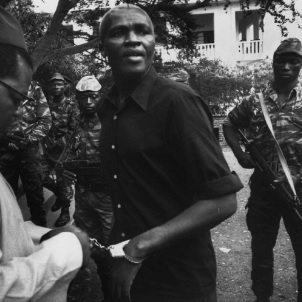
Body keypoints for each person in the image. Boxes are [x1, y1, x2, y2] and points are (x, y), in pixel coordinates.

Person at [97, 4, 243, 302]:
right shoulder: (107, 108)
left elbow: (223, 200)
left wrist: (140, 247)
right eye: (119, 33)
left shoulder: (178, 102)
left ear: (153, 44)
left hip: (178, 278)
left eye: (142, 31)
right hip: (126, 269)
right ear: (103, 49)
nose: (133, 39)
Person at [0, 7, 91, 301]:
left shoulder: (54, 100)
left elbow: (52, 124)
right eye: (13, 97)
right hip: (18, 148)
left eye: (19, 98)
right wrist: (66, 251)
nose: (15, 110)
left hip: (34, 148)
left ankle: (55, 213)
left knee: (36, 191)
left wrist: (39, 236)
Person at [223, 38, 302, 302]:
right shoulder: (255, 102)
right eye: (282, 61)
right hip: (264, 189)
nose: (287, 67)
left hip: (298, 191)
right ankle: (262, 298)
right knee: (261, 253)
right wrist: (240, 154)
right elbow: (229, 125)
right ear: (273, 64)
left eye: (294, 61)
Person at [0, 80, 51, 227]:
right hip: (4, 149)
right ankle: (10, 237)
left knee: (35, 196)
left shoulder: (34, 86)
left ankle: (41, 232)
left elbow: (46, 120)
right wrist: (3, 139)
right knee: (5, 199)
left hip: (29, 150)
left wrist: (28, 139)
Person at [41, 72, 78, 227]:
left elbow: (74, 129)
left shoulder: (71, 105)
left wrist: (57, 143)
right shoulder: (47, 103)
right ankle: (60, 196)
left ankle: (64, 211)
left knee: (63, 182)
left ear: (65, 86)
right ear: (49, 87)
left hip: (64, 151)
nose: (56, 87)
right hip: (47, 149)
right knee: (40, 177)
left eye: (59, 84)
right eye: (53, 84)